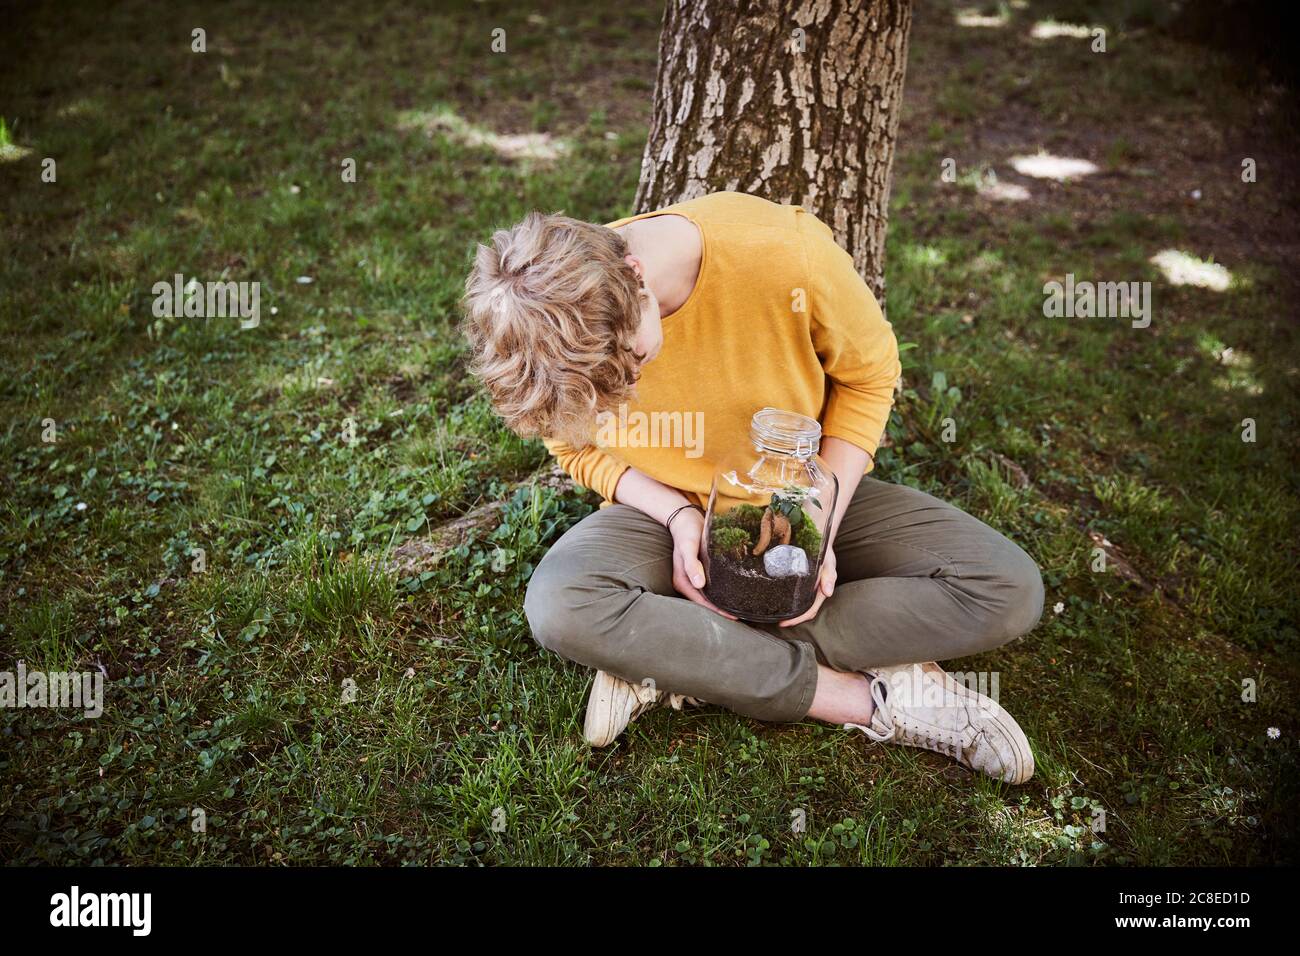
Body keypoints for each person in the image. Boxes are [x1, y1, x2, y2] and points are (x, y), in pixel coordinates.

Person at [461, 192, 1043, 783]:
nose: (632, 394)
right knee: (562, 604)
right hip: (662, 514)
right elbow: (571, 445)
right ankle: (869, 700)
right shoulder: (551, 323)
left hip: (797, 489)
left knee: (1007, 587)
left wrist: (816, 519)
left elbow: (870, 379)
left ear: (635, 276)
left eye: (632, 365)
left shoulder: (784, 254)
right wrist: (677, 518)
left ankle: (669, 657)